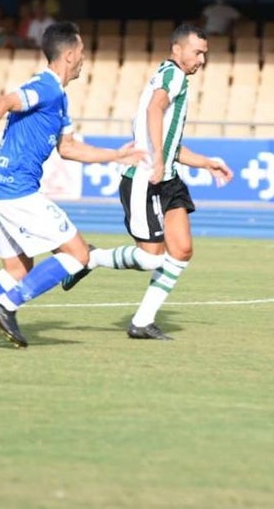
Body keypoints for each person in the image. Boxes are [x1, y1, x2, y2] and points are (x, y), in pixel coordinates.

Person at [0, 21, 164, 348]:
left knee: (16, 271)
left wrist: (116, 155)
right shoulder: (46, 87)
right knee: (78, 254)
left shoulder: (59, 99)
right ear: (68, 55)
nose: (84, 59)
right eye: (81, 52)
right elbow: (3, 101)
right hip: (17, 190)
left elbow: (69, 149)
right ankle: (7, 306)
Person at [62, 24, 233, 340]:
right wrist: (155, 159)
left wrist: (206, 162)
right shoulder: (173, 75)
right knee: (149, 258)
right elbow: (156, 109)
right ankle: (91, 257)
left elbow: (171, 145)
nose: (202, 60)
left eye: (205, 54)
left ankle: (142, 322)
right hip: (144, 179)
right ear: (177, 49)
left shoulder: (173, 76)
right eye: (197, 52)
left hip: (167, 180)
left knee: (181, 250)